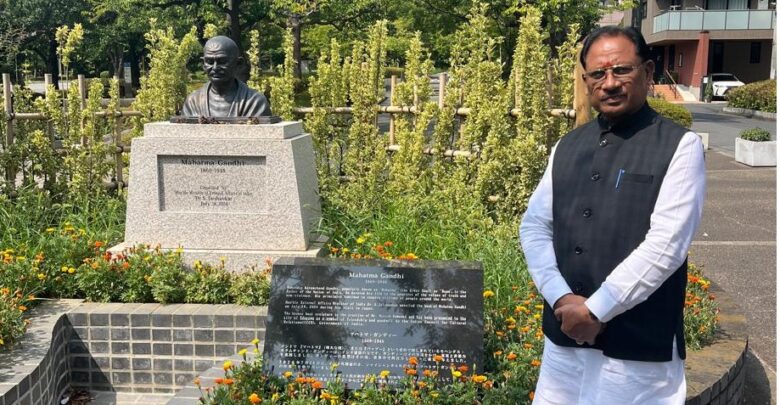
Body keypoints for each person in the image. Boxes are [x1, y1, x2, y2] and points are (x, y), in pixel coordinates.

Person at [519, 26, 706, 404]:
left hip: (636, 348)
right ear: (586, 80)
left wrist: (597, 309)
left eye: (621, 70)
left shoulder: (679, 147)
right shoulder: (567, 146)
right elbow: (535, 225)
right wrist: (561, 299)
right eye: (597, 74)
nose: (609, 83)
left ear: (648, 72)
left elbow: (667, 245)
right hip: (564, 341)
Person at [182, 36, 271, 118]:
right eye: (210, 62)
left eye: (222, 62)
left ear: (238, 63)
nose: (215, 68)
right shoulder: (193, 102)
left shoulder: (254, 102)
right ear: (203, 64)